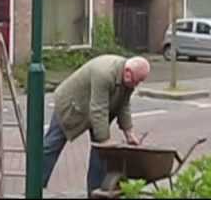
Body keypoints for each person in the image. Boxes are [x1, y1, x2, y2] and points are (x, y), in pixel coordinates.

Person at [42, 55, 151, 197]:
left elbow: (123, 105)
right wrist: (104, 140)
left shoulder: (128, 80)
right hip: (71, 106)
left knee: (101, 154)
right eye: (137, 80)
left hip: (95, 111)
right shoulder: (104, 73)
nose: (137, 85)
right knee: (52, 145)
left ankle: (95, 193)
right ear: (128, 72)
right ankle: (34, 186)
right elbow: (98, 109)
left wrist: (129, 132)